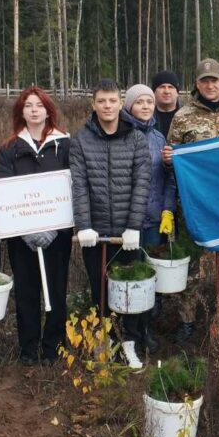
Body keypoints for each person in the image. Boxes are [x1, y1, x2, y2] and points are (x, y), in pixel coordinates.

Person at [164, 58, 219, 343]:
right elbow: (172, 158)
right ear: (197, 84)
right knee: (190, 266)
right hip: (194, 206)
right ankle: (187, 320)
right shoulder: (183, 117)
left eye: (215, 80)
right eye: (204, 80)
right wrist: (169, 159)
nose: (210, 85)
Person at [70, 80, 151, 368]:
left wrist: (134, 226)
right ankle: (105, 342)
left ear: (120, 103)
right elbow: (79, 185)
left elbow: (142, 184)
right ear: (93, 104)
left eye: (112, 101)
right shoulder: (81, 140)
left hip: (126, 234)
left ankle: (129, 343)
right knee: (100, 290)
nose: (107, 106)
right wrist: (84, 225)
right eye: (101, 101)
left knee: (130, 290)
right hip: (96, 232)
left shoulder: (136, 139)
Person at [0, 86, 74, 366]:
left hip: (56, 238)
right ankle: (29, 348)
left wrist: (54, 229)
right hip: (22, 239)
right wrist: (25, 230)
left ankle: (53, 347)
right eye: (28, 105)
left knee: (55, 290)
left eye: (39, 105)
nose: (34, 110)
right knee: (27, 293)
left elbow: (72, 186)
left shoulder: (64, 144)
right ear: (21, 112)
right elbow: (4, 190)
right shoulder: (9, 149)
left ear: (48, 110)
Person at [122, 84, 178, 350]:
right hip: (130, 223)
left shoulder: (158, 138)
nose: (145, 106)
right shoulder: (122, 135)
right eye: (139, 102)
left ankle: (146, 331)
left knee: (151, 278)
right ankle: (129, 334)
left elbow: (169, 178)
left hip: (155, 220)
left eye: (149, 102)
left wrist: (168, 209)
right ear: (129, 106)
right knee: (132, 277)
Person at [151, 70, 182, 139]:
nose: (166, 91)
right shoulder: (146, 119)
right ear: (154, 92)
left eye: (170, 87)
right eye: (162, 87)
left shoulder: (188, 117)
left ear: (177, 92)